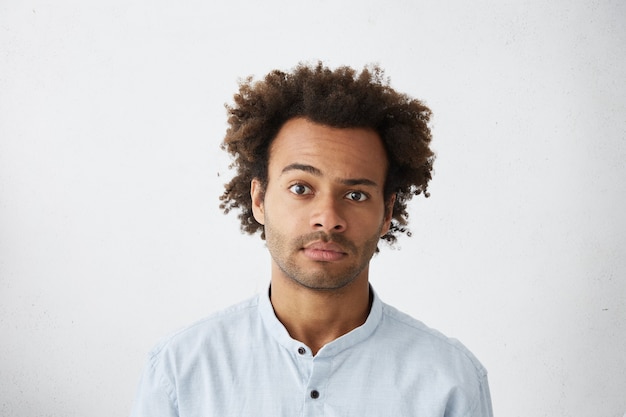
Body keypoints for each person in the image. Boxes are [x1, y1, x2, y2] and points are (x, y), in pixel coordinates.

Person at [129, 62, 493, 416]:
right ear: (259, 199)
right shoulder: (180, 371)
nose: (329, 219)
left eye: (355, 195)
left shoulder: (451, 380)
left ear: (386, 213)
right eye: (301, 188)